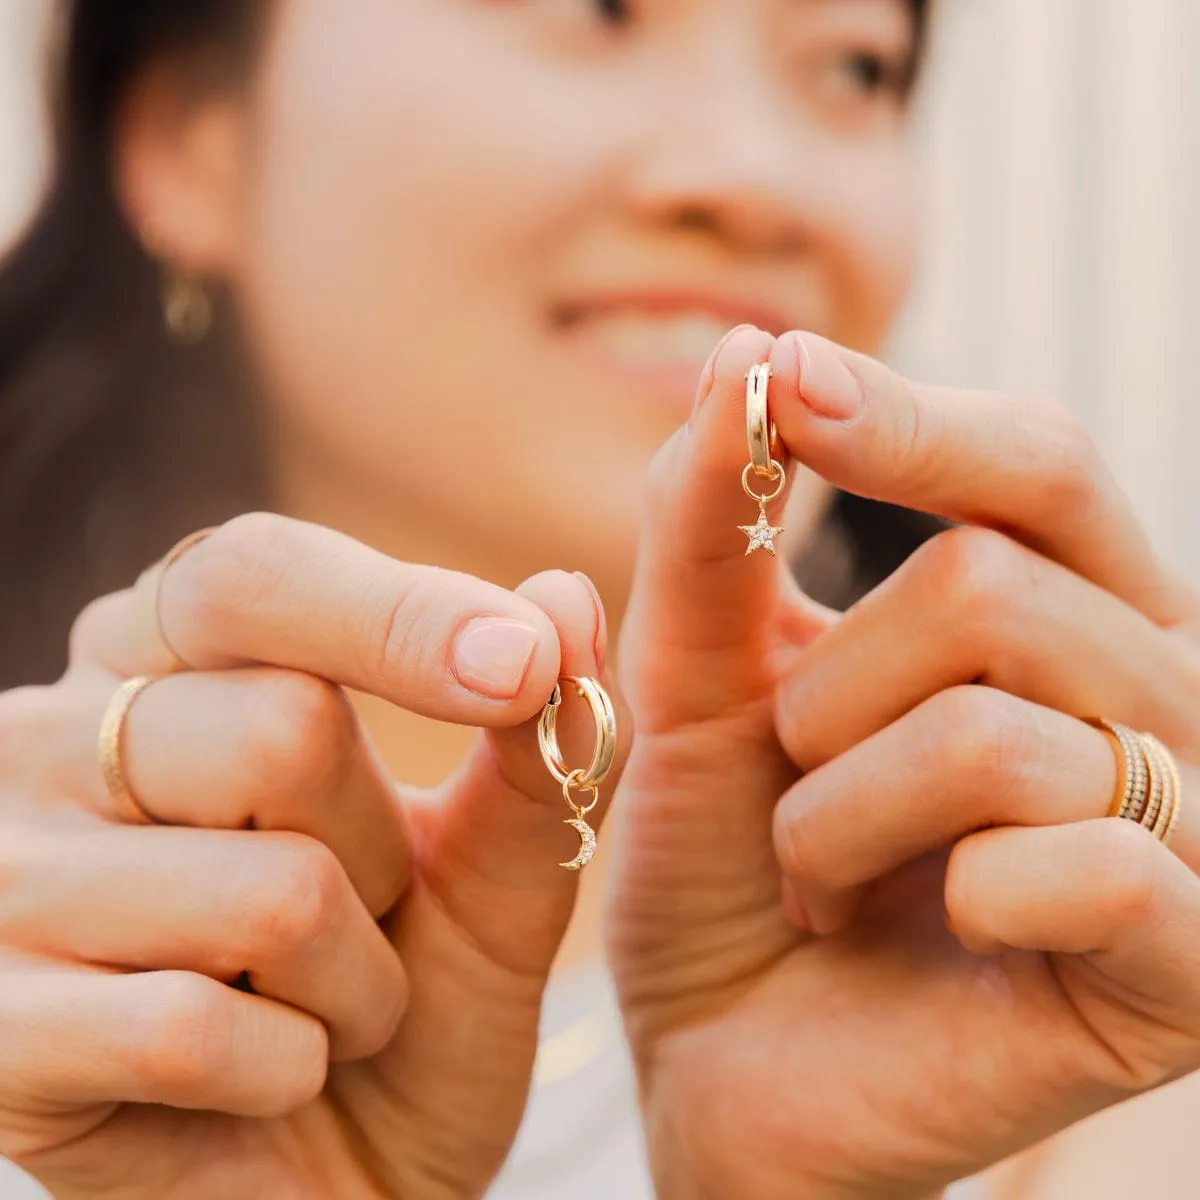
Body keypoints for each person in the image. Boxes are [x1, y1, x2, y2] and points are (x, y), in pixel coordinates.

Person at [2, 2, 1200, 1197]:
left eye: (854, 64)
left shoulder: (1088, 1008)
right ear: (190, 138)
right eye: (590, 12)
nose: (755, 175)